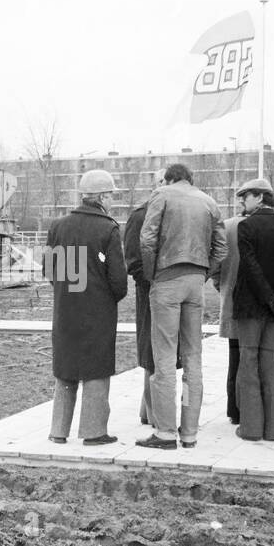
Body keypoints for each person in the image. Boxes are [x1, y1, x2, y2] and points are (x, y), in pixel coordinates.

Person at [137, 163, 227, 449]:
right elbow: (221, 248)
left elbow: (147, 238)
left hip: (167, 279)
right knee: (192, 360)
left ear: (171, 178)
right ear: (191, 178)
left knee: (163, 360)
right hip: (195, 283)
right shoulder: (209, 202)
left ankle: (164, 433)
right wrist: (202, 274)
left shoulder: (161, 195)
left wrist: (153, 274)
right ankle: (189, 432)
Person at [44, 169, 128, 444]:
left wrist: (67, 291)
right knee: (96, 368)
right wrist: (106, 297)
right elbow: (118, 280)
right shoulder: (108, 228)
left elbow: (49, 269)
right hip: (97, 311)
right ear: (102, 197)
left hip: (66, 308)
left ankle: (58, 431)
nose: (112, 201)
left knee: (66, 368)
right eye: (111, 196)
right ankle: (93, 431)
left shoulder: (58, 226)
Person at [231, 178, 274, 441]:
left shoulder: (246, 227)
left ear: (260, 197)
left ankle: (250, 427)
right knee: (271, 362)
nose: (242, 201)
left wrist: (269, 298)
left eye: (245, 196)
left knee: (248, 362)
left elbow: (250, 267)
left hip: (251, 307)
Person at [123, 169, 167, 425]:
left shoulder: (173, 213)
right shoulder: (140, 216)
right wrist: (151, 282)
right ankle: (153, 414)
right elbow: (133, 260)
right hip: (150, 293)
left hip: (167, 291)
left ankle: (147, 410)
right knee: (152, 352)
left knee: (164, 353)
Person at [215, 182, 248, 424]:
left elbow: (215, 263)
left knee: (234, 358)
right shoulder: (267, 225)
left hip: (230, 299)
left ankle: (234, 409)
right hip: (257, 305)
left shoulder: (227, 227)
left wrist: (221, 285)